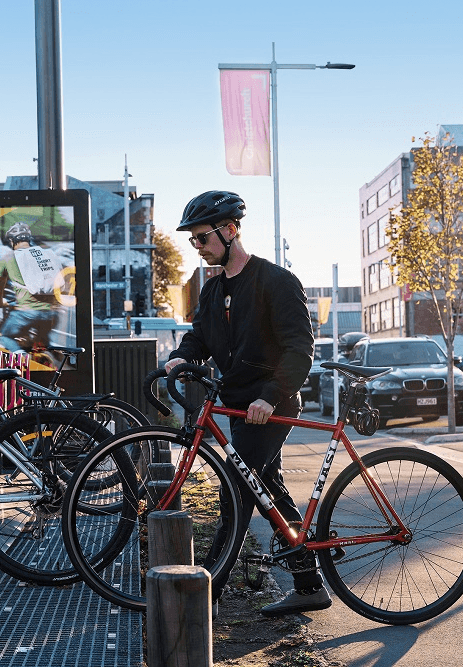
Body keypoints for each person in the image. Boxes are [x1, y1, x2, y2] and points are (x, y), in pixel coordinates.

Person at [163, 190, 330, 617]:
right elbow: (200, 337)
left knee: (234, 493)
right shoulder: (212, 290)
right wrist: (182, 357)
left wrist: (270, 396)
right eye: (193, 241)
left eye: (202, 238)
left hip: (271, 406)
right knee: (268, 489)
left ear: (230, 230)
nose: (197, 248)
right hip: (239, 408)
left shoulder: (276, 281)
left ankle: (204, 596)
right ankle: (309, 583)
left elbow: (299, 350)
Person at [0, 222, 63, 354]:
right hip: (51, 315)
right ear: (28, 239)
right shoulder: (45, 254)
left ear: (12, 241)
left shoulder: (7, 258)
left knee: (6, 336)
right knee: (43, 335)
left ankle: (23, 357)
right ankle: (52, 348)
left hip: (26, 314)